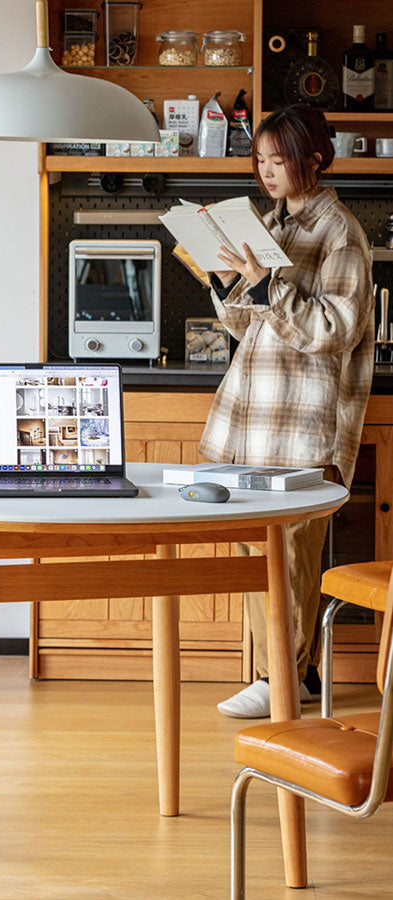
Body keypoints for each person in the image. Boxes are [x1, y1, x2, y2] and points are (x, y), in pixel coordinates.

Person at [199, 104, 374, 718]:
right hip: (256, 415)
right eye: (261, 160)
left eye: (279, 159)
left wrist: (269, 284)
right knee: (260, 549)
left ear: (315, 160)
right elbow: (250, 327)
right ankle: (286, 677)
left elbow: (335, 327)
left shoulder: (340, 233)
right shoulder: (273, 225)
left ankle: (282, 681)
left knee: (292, 553)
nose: (267, 171)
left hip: (303, 422)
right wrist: (230, 285)